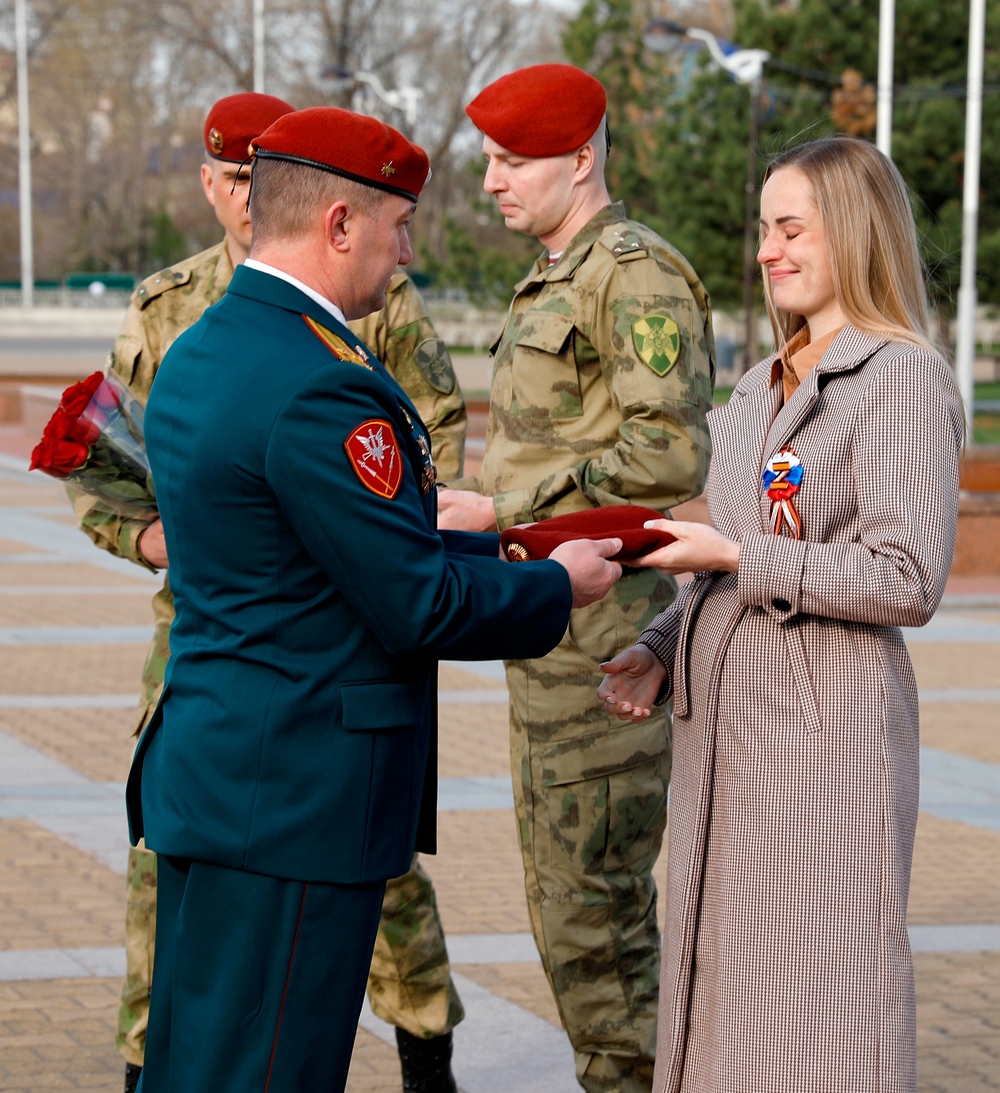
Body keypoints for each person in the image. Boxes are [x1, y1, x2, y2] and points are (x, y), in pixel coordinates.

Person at [126, 105, 625, 1093]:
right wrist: (553, 584)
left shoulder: (205, 349)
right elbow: (416, 607)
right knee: (268, 1071)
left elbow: (278, 540)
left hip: (217, 775)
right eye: (398, 227)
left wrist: (414, 514)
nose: (405, 254)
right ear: (340, 223)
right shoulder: (320, 381)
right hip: (294, 797)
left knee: (194, 1063)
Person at [71, 92, 469, 1093]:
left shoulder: (370, 303)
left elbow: (417, 454)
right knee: (212, 943)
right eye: (234, 178)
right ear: (213, 185)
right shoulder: (169, 304)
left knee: (368, 895)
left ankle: (427, 1049)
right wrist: (156, 537)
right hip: (231, 652)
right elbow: (98, 452)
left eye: (263, 176)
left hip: (330, 634)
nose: (248, 196)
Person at [598, 137, 964, 1093]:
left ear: (852, 230)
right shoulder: (761, 387)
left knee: (819, 1006)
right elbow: (723, 550)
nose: (766, 249)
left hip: (822, 750)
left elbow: (906, 574)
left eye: (790, 227)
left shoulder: (898, 379)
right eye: (764, 228)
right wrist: (660, 646)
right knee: (723, 1000)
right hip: (726, 748)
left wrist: (734, 552)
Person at [437, 64, 715, 1093]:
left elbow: (667, 455)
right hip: (553, 633)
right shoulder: (560, 272)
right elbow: (558, 447)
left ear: (581, 159)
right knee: (568, 910)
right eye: (492, 162)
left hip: (606, 643)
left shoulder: (631, 274)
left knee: (594, 919)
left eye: (514, 162)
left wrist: (504, 509)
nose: (493, 183)